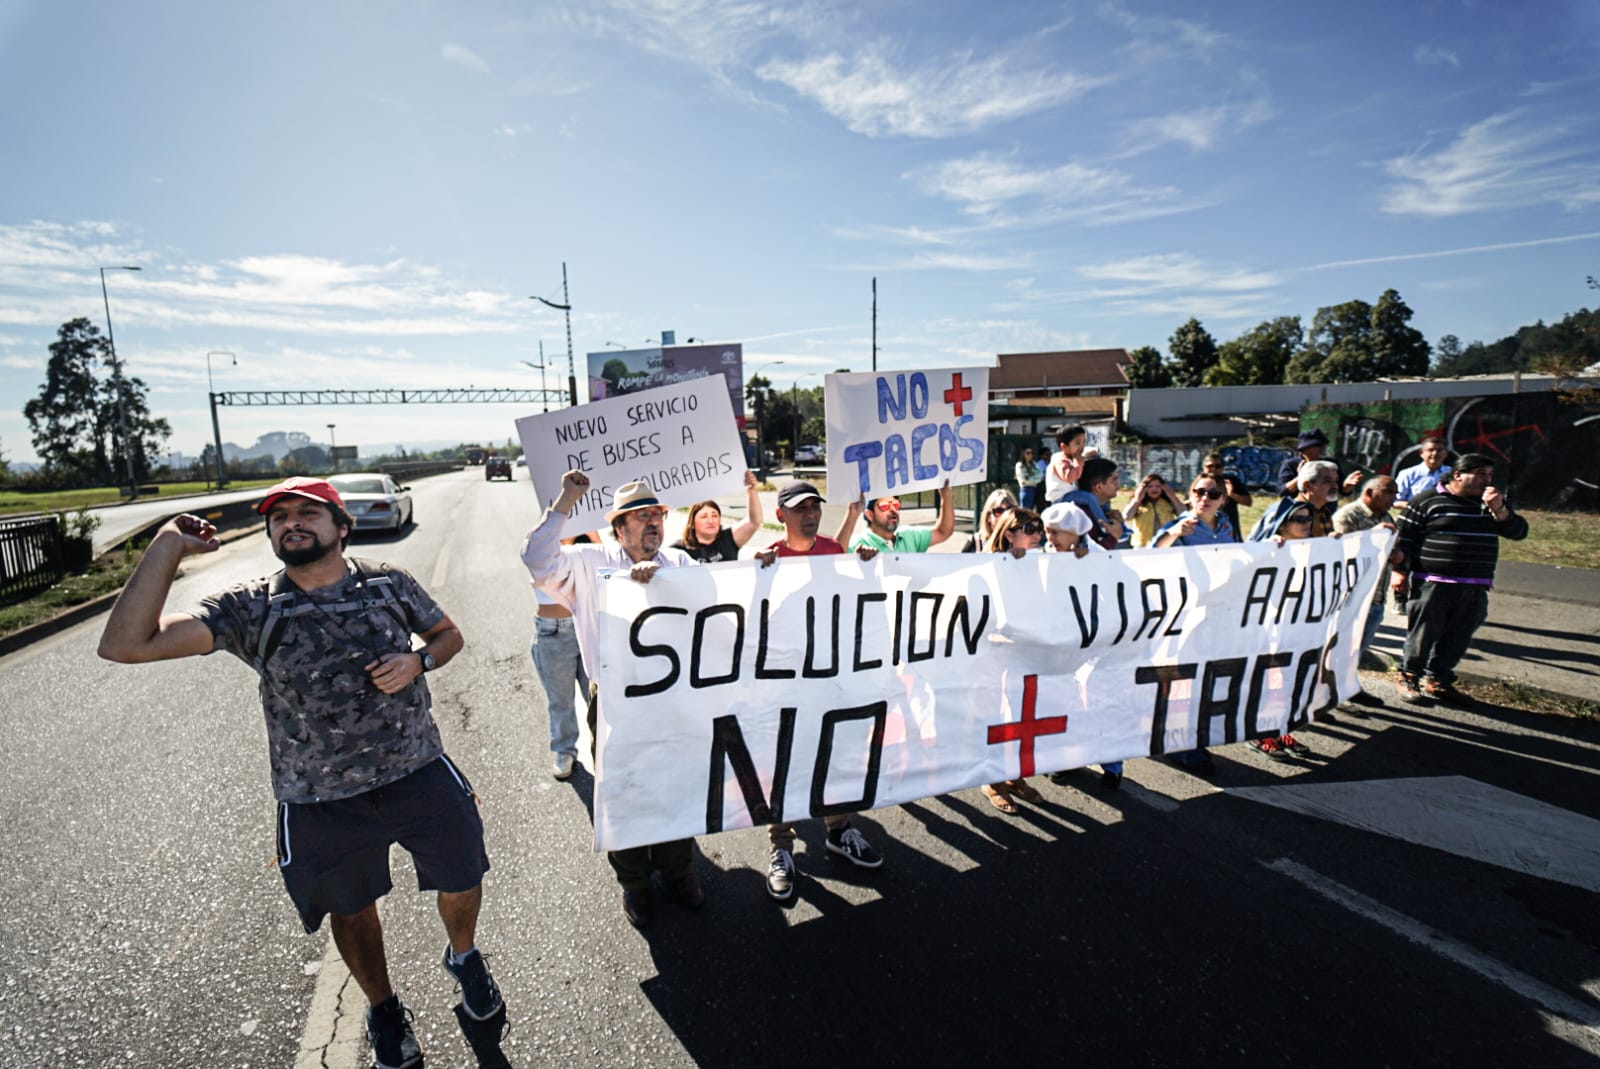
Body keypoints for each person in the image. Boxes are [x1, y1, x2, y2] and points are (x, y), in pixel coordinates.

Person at [97, 477, 507, 1069]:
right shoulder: (249, 607)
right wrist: (166, 545)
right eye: (278, 516)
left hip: (418, 770)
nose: (291, 521)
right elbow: (126, 645)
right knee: (351, 908)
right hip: (319, 799)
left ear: (341, 528)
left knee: (464, 874)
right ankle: (384, 1008)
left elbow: (447, 635)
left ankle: (465, 958)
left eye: (307, 512)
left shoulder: (389, 583)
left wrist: (417, 661)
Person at [522, 474, 706, 929]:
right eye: (641, 516)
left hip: (672, 697)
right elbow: (536, 558)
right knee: (624, 795)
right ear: (618, 529)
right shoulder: (587, 562)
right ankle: (636, 883)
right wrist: (566, 499)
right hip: (616, 702)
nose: (653, 524)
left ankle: (678, 871)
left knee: (674, 787)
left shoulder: (679, 562)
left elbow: (720, 601)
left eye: (658, 515)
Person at [752, 481, 882, 900]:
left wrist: (865, 563)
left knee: (838, 752)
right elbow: (750, 617)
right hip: (786, 684)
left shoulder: (832, 551)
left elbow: (857, 595)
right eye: (799, 508)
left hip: (831, 678)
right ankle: (781, 846)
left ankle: (838, 828)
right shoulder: (765, 559)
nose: (809, 513)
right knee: (787, 759)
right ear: (781, 515)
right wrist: (756, 578)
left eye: (814, 506)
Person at [1391, 454, 1528, 703]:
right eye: (1481, 474)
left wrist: (1500, 510)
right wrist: (1399, 571)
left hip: (1475, 584)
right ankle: (1409, 676)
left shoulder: (1490, 504)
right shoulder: (1427, 501)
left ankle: (1437, 679)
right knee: (1423, 633)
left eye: (1489, 475)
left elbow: (1519, 532)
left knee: (1460, 635)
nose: (1486, 481)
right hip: (1434, 582)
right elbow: (1403, 539)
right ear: (1458, 475)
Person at [976, 508, 1049, 811]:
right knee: (995, 716)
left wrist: (1079, 558)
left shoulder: (1042, 561)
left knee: (1021, 715)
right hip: (994, 654)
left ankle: (1014, 776)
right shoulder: (987, 564)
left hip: (1026, 652)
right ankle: (991, 781)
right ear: (1008, 534)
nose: (1038, 535)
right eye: (1030, 529)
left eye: (1039, 528)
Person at [1247, 500, 1321, 762]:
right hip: (1268, 628)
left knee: (1288, 681)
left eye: (1308, 519)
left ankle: (1281, 729)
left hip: (1296, 626)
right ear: (1282, 524)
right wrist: (1266, 552)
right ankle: (1260, 732)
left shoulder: (1311, 548)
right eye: (1299, 520)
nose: (1306, 524)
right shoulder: (1268, 548)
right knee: (1268, 681)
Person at [1333, 475, 1400, 704]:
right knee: (1340, 650)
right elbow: (1342, 553)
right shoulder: (1348, 516)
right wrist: (1375, 538)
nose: (1394, 498)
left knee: (1357, 651)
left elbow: (1395, 554)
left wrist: (1396, 554)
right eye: (1389, 491)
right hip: (1353, 598)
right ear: (1369, 493)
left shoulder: (1388, 517)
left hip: (1377, 596)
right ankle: (1330, 694)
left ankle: (1349, 688)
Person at [671, 469, 764, 563]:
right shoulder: (678, 550)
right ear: (692, 523)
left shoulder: (729, 539)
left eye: (715, 516)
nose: (711, 521)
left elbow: (754, 522)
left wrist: (751, 490)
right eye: (704, 516)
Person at [850, 479, 956, 553]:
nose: (893, 509)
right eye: (884, 505)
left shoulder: (908, 536)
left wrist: (946, 496)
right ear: (869, 515)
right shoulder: (857, 544)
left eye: (895, 504)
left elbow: (943, 531)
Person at [1250, 460, 1340, 541]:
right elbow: (1253, 548)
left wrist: (1332, 542)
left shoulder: (1324, 512)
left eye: (1336, 481)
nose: (1335, 486)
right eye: (1327, 481)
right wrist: (1269, 543)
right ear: (1307, 485)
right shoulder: (1281, 511)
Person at [1060, 456, 1126, 551]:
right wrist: (1113, 537)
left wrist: (1118, 525)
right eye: (1114, 480)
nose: (1118, 483)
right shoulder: (1079, 514)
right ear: (1098, 487)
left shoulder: (1102, 511)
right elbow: (1084, 555)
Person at [1154, 474, 1237, 547]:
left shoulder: (1226, 525)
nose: (1205, 498)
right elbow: (1153, 553)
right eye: (1200, 492)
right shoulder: (1179, 525)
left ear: (1223, 499)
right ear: (1190, 496)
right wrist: (1173, 533)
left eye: (1213, 494)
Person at [1278, 428, 1363, 497]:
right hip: (1301, 510)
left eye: (1323, 445)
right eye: (1317, 445)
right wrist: (1301, 476)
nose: (1323, 448)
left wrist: (1347, 486)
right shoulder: (1291, 464)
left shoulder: (1330, 464)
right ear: (1305, 449)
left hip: (1326, 510)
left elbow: (1343, 491)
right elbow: (1283, 491)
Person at [1202, 452, 1252, 542]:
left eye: (1217, 466)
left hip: (1229, 529)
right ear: (1204, 467)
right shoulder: (1199, 483)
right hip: (1205, 529)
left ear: (1223, 468)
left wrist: (1232, 494)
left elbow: (1248, 502)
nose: (1213, 469)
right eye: (1209, 466)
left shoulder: (1230, 480)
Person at [1124, 472, 1183, 548]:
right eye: (1150, 486)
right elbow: (1126, 516)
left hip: (1168, 543)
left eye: (1157, 486)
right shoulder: (1138, 503)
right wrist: (1137, 499)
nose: (1154, 489)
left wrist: (1172, 496)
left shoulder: (1168, 502)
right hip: (1143, 544)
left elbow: (1183, 513)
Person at [1394, 436, 1452, 503]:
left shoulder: (1452, 474)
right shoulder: (1407, 474)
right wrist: (1416, 507)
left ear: (1446, 454)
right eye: (1431, 450)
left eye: (1439, 450)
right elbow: (1396, 501)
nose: (1435, 453)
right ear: (1421, 453)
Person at [963, 487, 1018, 553]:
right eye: (999, 511)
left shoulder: (1021, 542)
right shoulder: (975, 542)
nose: (1005, 516)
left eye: (1010, 511)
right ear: (988, 517)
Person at [1044, 425, 1088, 505]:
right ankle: (1100, 518)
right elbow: (1069, 478)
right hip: (1060, 498)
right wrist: (1078, 462)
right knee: (1089, 498)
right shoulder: (1059, 460)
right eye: (1077, 443)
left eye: (1084, 442)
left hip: (1071, 495)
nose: (1082, 446)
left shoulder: (1072, 458)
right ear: (1064, 446)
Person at [1015, 446, 1045, 511]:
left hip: (1034, 489)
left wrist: (1032, 478)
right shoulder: (1019, 465)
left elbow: (1040, 475)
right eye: (1027, 453)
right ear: (1023, 454)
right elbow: (1024, 479)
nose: (1030, 455)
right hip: (1026, 490)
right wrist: (1035, 479)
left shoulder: (1034, 464)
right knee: (1024, 511)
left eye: (1031, 453)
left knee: (1031, 511)